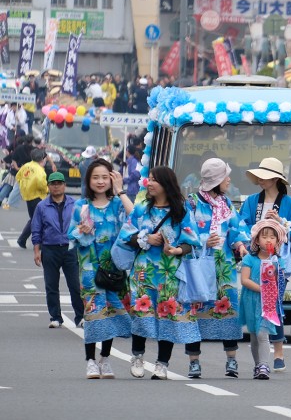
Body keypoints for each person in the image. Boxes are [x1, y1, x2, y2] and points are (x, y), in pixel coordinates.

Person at [114, 166, 201, 380]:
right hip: (144, 272)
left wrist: (176, 250)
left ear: (166, 184)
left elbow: (192, 243)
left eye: (154, 180)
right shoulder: (141, 209)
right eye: (149, 179)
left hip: (170, 273)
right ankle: (137, 356)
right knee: (140, 313)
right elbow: (126, 235)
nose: (149, 183)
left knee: (168, 314)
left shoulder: (181, 212)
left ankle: (162, 364)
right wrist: (145, 239)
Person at [184, 158, 250, 379]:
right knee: (196, 310)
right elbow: (185, 232)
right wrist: (204, 241)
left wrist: (240, 244)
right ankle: (194, 362)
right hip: (200, 266)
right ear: (216, 180)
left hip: (224, 268)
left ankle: (232, 360)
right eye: (225, 176)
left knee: (228, 310)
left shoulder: (227, 204)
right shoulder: (192, 203)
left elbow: (236, 228)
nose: (229, 179)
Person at [67, 159, 134, 378]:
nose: (100, 181)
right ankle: (90, 361)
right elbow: (71, 235)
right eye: (95, 177)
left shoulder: (117, 204)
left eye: (105, 177)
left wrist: (121, 190)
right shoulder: (81, 206)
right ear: (88, 180)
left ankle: (105, 359)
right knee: (94, 313)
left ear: (112, 178)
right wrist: (82, 230)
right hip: (89, 271)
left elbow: (135, 217)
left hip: (114, 269)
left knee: (112, 313)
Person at [240, 157, 291, 373]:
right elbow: (242, 226)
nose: (260, 180)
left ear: (276, 179)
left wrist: (280, 223)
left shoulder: (289, 204)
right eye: (259, 176)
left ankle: (278, 351)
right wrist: (259, 228)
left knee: (273, 303)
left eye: (265, 177)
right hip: (254, 260)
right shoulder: (251, 201)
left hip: (278, 264)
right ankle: (262, 348)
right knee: (256, 304)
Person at [31, 172, 84, 328]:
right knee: (51, 285)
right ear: (48, 186)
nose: (56, 186)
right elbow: (36, 230)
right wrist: (36, 251)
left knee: (75, 285)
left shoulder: (75, 204)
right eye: (53, 183)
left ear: (64, 185)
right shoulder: (42, 206)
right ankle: (55, 317)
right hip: (50, 249)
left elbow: (82, 225)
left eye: (59, 183)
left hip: (70, 248)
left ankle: (80, 317)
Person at [239, 219, 288, 380]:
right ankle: (257, 364)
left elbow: (278, 282)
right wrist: (262, 289)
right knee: (254, 335)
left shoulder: (277, 261)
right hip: (251, 300)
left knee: (262, 334)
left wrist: (271, 289)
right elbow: (244, 280)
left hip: (267, 303)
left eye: (272, 237)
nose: (268, 240)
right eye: (264, 236)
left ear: (277, 241)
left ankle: (264, 365)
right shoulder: (250, 259)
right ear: (257, 240)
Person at [16, 148, 48, 249]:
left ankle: (23, 239)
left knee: (35, 219)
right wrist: (47, 189)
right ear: (42, 159)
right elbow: (41, 184)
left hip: (27, 196)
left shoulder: (26, 166)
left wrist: (24, 186)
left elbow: (18, 177)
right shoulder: (40, 171)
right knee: (39, 220)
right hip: (37, 196)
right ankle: (33, 241)